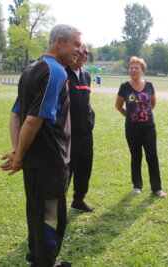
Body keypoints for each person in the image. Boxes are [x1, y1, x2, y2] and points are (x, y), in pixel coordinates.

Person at [0, 24, 82, 267]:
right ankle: (47, 262)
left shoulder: (31, 68)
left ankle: (37, 256)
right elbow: (33, 118)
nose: (79, 50)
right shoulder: (55, 71)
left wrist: (18, 153)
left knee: (35, 210)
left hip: (35, 161)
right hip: (51, 161)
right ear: (59, 41)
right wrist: (19, 154)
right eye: (75, 44)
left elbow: (16, 115)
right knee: (50, 214)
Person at [115, 56, 167, 198]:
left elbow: (153, 103)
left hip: (148, 127)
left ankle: (157, 188)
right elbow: (118, 105)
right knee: (136, 156)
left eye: (136, 68)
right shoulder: (124, 86)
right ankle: (137, 185)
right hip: (132, 128)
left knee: (152, 156)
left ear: (142, 70)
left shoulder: (149, 85)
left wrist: (144, 114)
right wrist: (128, 115)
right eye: (131, 68)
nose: (133, 70)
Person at [65, 43, 95, 212]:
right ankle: (58, 205)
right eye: (82, 52)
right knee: (67, 170)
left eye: (87, 53)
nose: (85, 55)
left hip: (86, 133)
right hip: (69, 134)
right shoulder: (62, 73)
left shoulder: (86, 75)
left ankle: (78, 199)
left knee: (85, 167)